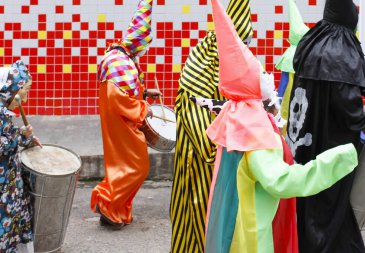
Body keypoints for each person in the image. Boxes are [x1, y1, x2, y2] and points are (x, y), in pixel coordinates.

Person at [204, 1, 360, 252]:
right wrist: (336, 160)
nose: (267, 75)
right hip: (253, 237)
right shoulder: (253, 132)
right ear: (249, 85)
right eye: (259, 72)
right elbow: (281, 181)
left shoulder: (235, 118)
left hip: (234, 227)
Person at [286, 0, 365, 251]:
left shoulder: (312, 43)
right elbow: (344, 97)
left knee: (309, 197)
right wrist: (363, 122)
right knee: (329, 201)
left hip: (304, 140)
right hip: (330, 145)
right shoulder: (338, 50)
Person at [169, 0, 253, 251]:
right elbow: (207, 142)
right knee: (197, 227)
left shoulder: (217, 64)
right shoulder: (198, 76)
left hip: (218, 170)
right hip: (199, 171)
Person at [90, 0, 161, 229]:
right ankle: (109, 204)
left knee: (122, 167)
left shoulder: (121, 57)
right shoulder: (120, 60)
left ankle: (114, 210)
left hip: (119, 123)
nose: (145, 49)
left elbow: (125, 90)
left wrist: (146, 92)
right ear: (138, 42)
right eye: (145, 44)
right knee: (136, 167)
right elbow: (118, 98)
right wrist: (144, 109)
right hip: (122, 123)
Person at [0, 60, 41, 252]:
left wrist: (26, 139)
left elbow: (9, 139)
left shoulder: (4, 112)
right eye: (26, 89)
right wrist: (20, 136)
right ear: (14, 88)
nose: (26, 96)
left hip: (9, 183)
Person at [275, 0, 309, 135]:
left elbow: (282, 83)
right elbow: (284, 81)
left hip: (291, 97)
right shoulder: (302, 53)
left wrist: (278, 99)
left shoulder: (291, 55)